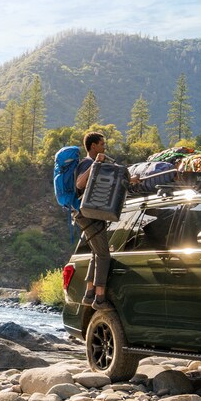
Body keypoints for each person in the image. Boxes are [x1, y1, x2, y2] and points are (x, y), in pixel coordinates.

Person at [75, 131, 114, 307]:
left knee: (96, 253)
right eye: (102, 144)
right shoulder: (87, 162)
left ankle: (89, 294)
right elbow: (79, 183)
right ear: (93, 146)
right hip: (88, 215)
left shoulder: (92, 163)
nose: (104, 147)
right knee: (104, 255)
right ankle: (100, 298)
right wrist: (96, 163)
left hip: (89, 214)